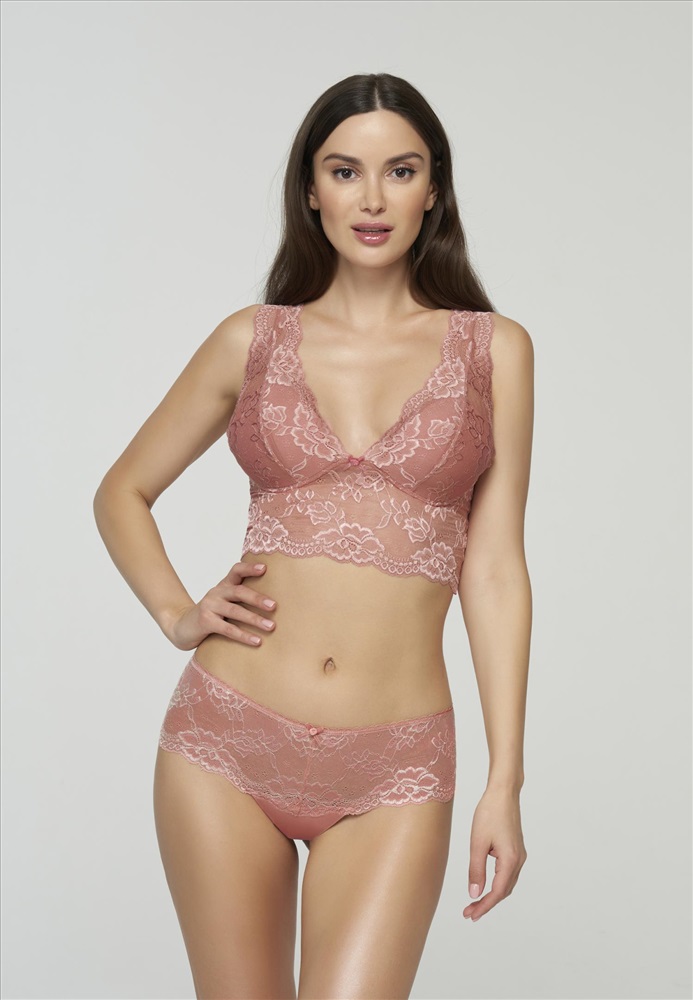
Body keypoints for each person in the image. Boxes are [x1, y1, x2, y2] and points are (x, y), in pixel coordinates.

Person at [93, 72, 534, 1000]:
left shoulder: (493, 350)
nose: (371, 199)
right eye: (344, 171)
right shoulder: (250, 340)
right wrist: (177, 614)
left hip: (395, 766)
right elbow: (122, 491)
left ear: (433, 189)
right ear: (310, 190)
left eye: (399, 171)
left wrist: (505, 781)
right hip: (224, 743)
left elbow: (494, 572)